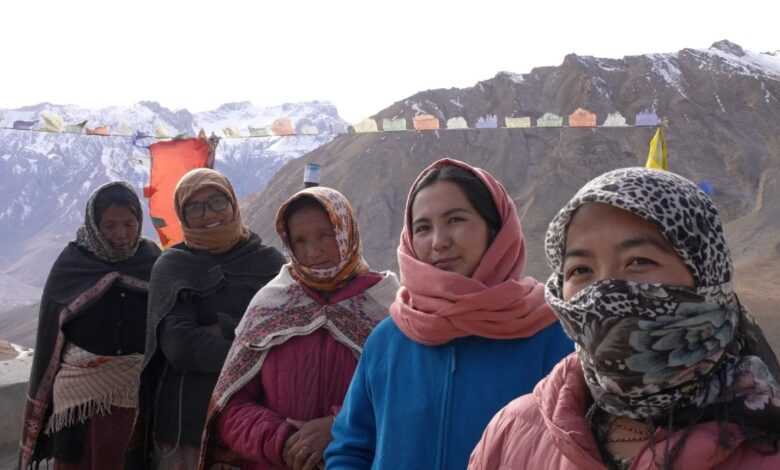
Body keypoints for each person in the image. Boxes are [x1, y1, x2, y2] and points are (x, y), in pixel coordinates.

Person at [469, 167, 780, 469]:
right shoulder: (513, 434)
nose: (603, 291)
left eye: (639, 261)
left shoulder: (766, 443)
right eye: (581, 270)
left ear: (708, 276)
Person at [325, 158, 574, 469]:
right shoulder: (389, 340)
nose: (439, 242)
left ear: (495, 229)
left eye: (455, 220)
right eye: (423, 228)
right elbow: (350, 450)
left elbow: (577, 451)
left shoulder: (551, 335)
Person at [199, 187, 400, 470]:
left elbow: (408, 398)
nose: (313, 251)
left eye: (326, 235)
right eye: (300, 241)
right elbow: (231, 407)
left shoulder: (389, 305)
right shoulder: (269, 305)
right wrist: (284, 441)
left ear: (347, 231)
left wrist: (339, 427)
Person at [135, 168, 285, 469]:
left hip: (262, 420)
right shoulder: (172, 267)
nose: (208, 214)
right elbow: (181, 347)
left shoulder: (269, 263)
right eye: (195, 208)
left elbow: (285, 332)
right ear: (182, 216)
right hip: (188, 425)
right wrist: (256, 342)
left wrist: (223, 328)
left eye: (217, 201)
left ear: (233, 204)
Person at [19, 182, 162, 469]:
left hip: (136, 395)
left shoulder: (153, 261)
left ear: (139, 223)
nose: (121, 234)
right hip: (78, 400)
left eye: (129, 224)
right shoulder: (72, 264)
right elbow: (50, 335)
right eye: (109, 226)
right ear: (94, 225)